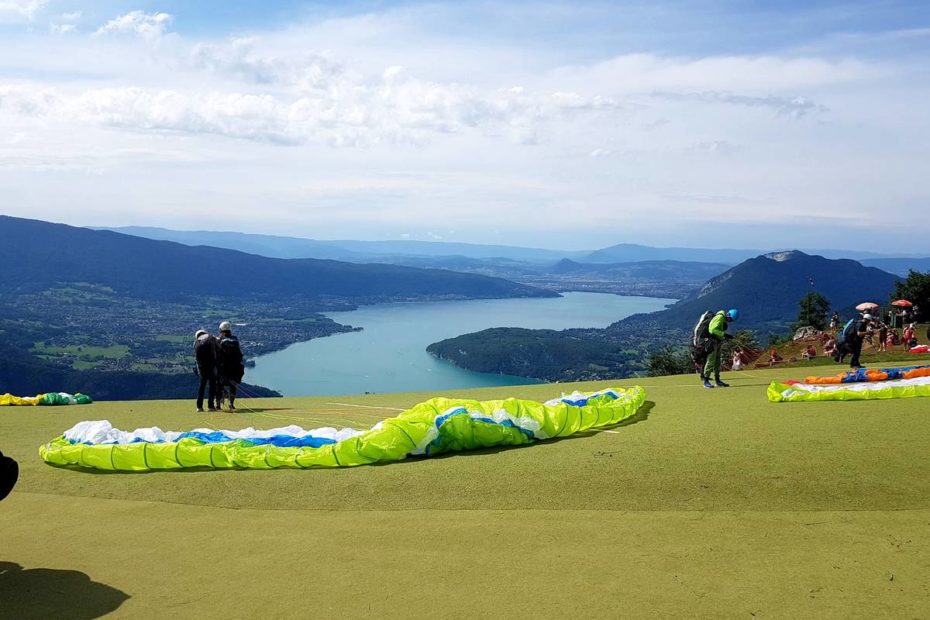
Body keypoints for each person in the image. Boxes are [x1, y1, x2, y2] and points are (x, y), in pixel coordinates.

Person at [701, 308, 739, 388]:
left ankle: (717, 380)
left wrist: (724, 336)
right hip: (712, 341)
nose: (730, 321)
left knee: (717, 361)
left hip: (717, 341)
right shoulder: (720, 317)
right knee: (711, 361)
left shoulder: (722, 318)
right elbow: (712, 330)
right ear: (729, 315)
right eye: (730, 319)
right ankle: (706, 381)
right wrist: (724, 335)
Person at [216, 320, 245, 411]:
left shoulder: (220, 339)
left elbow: (217, 353)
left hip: (223, 367)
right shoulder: (235, 339)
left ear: (221, 330)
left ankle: (218, 404)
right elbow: (239, 353)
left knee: (219, 384)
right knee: (233, 385)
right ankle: (231, 404)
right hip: (235, 367)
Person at [194, 329, 218, 412]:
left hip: (202, 367)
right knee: (212, 385)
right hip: (211, 365)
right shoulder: (211, 338)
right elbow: (218, 349)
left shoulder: (196, 342)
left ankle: (199, 406)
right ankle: (211, 406)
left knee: (202, 386)